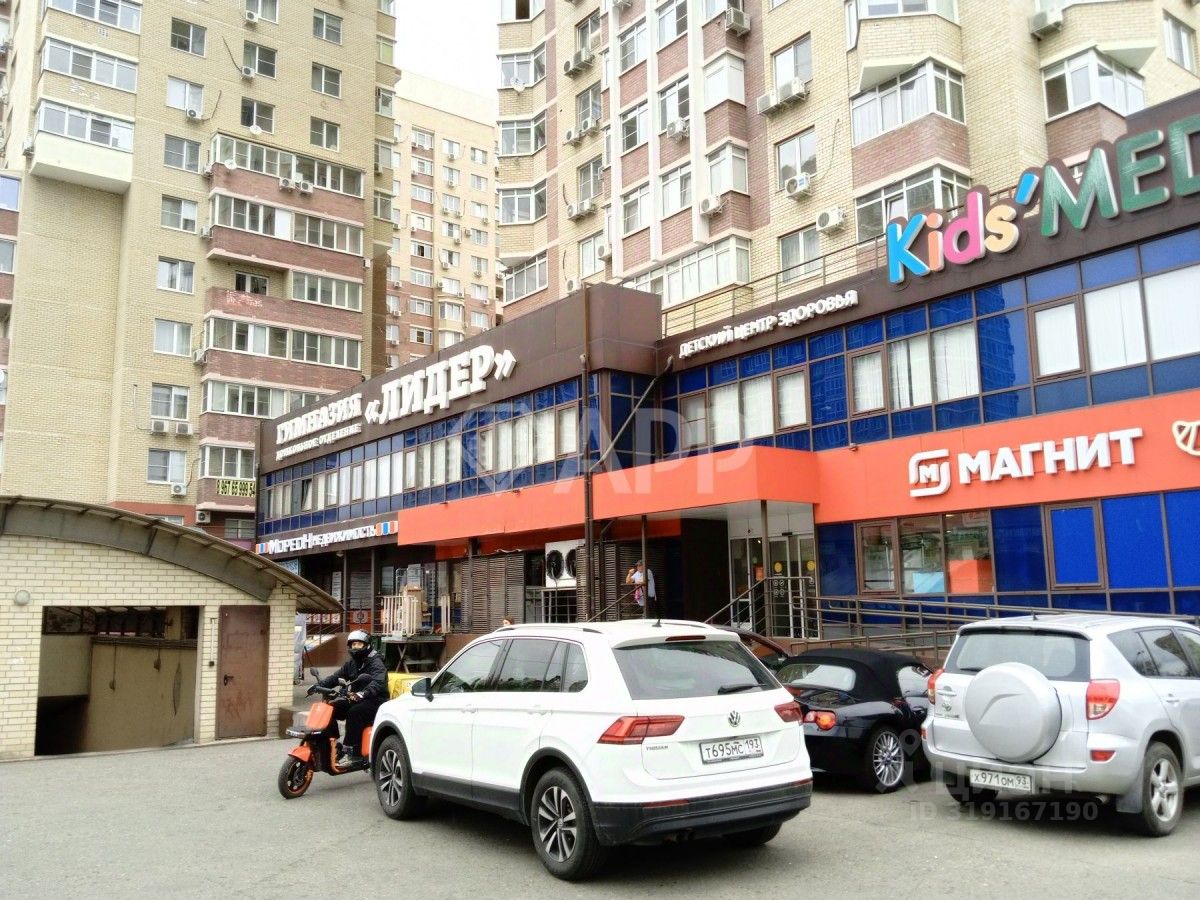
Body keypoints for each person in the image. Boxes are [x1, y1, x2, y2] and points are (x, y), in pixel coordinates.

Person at [308, 629, 387, 768]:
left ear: (367, 645)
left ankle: (353, 753)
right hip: (356, 698)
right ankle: (333, 745)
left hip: (375, 700)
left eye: (359, 644)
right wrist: (319, 685)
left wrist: (363, 693)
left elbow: (378, 683)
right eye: (353, 644)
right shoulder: (352, 663)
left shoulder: (376, 662)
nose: (355, 647)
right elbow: (336, 677)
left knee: (354, 713)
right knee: (329, 709)